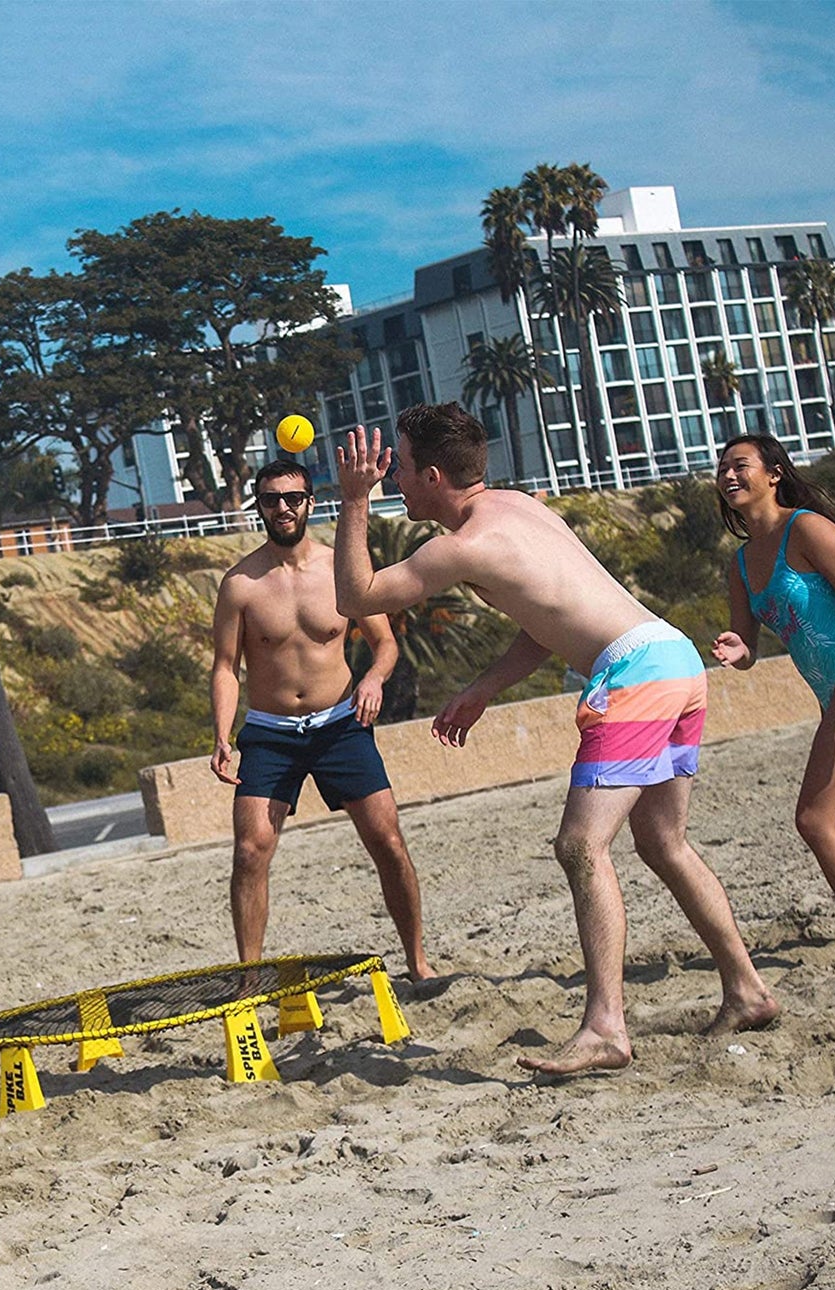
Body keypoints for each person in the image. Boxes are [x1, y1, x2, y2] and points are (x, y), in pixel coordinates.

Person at [333, 403, 777, 1075]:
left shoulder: (462, 545)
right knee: (662, 842)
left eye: (397, 468)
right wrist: (483, 686)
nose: (391, 479)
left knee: (579, 844)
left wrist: (353, 500)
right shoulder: (516, 509)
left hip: (633, 673)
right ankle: (746, 988)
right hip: (672, 655)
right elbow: (544, 616)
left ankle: (604, 1027)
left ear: (430, 475)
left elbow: (355, 595)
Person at [210, 457, 433, 983]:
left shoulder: (341, 570)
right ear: (259, 506)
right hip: (269, 732)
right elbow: (225, 666)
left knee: (388, 841)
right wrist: (221, 734)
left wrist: (374, 679)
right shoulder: (240, 583)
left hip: (340, 725)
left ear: (310, 502)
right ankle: (249, 981)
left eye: (292, 498)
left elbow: (384, 644)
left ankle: (418, 962)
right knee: (250, 851)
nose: (282, 508)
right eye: (270, 500)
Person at [712, 434, 835, 947]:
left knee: (816, 820)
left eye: (740, 465)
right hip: (832, 697)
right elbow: (749, 645)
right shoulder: (740, 564)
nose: (728, 475)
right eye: (722, 469)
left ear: (774, 474)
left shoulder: (808, 529)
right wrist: (739, 651)